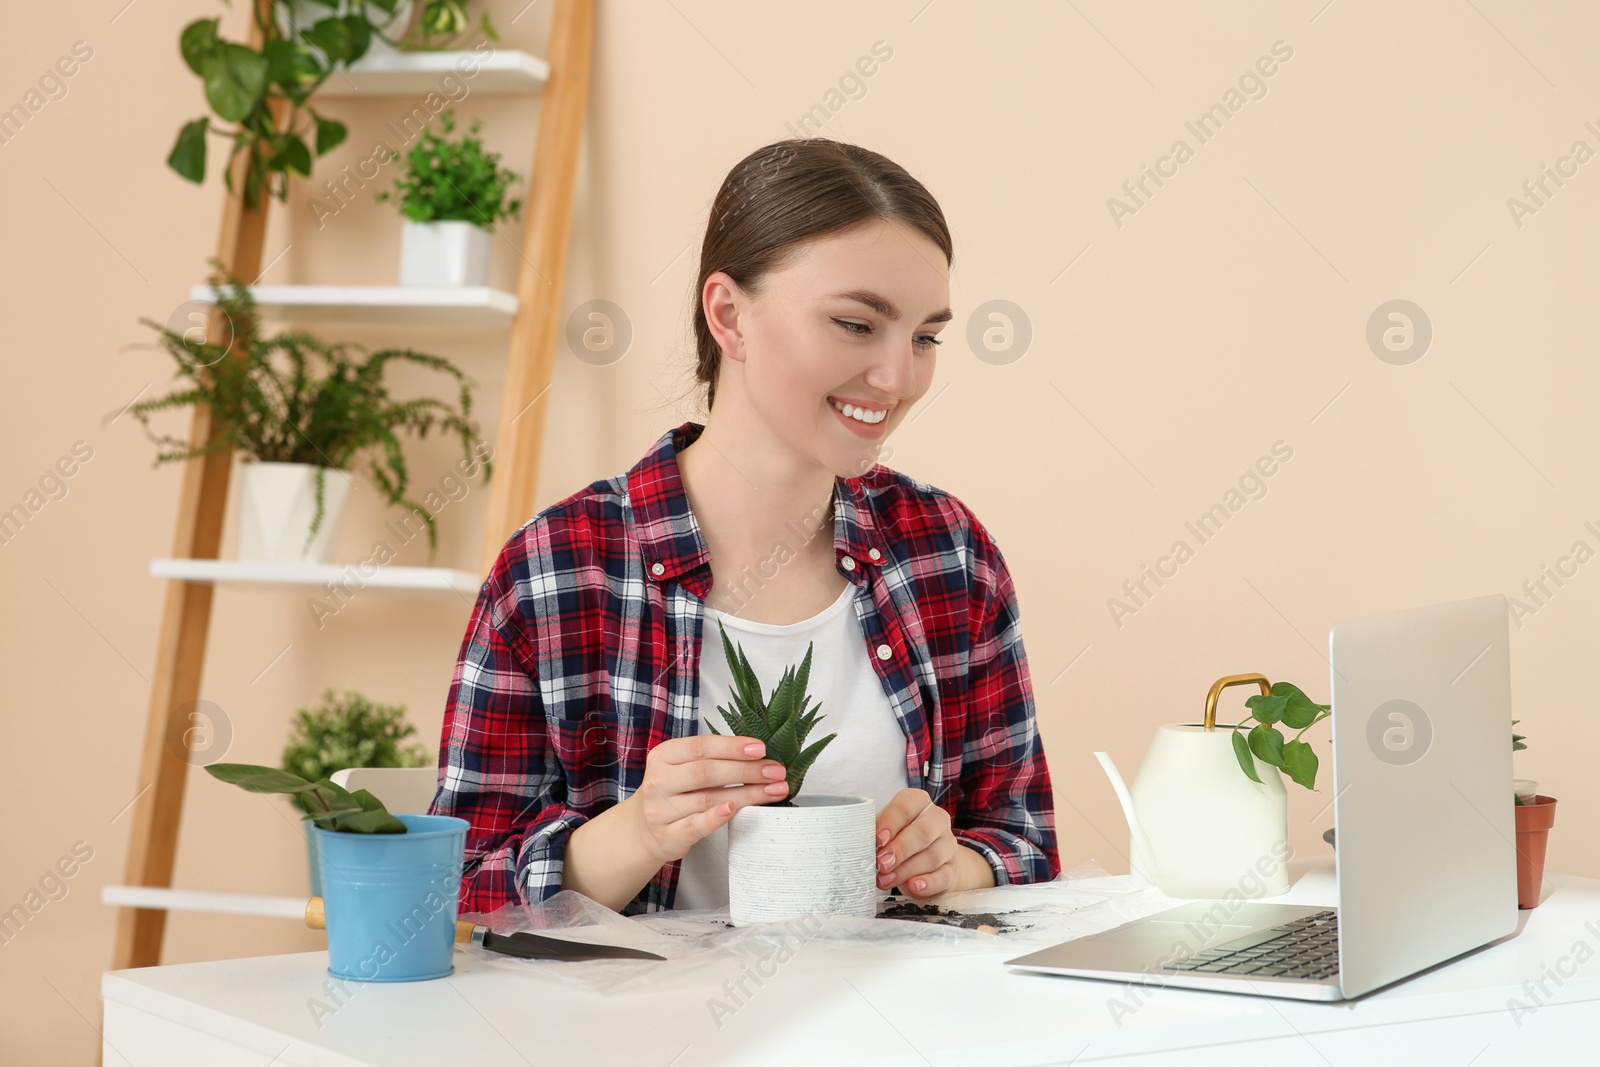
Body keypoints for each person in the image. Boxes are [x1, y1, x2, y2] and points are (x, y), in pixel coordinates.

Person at [431, 138, 1059, 917]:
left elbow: (1024, 840)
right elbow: (452, 891)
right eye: (858, 324)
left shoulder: (949, 554)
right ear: (729, 314)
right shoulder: (559, 569)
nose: (901, 379)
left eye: (925, 337)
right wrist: (636, 832)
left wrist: (955, 864)